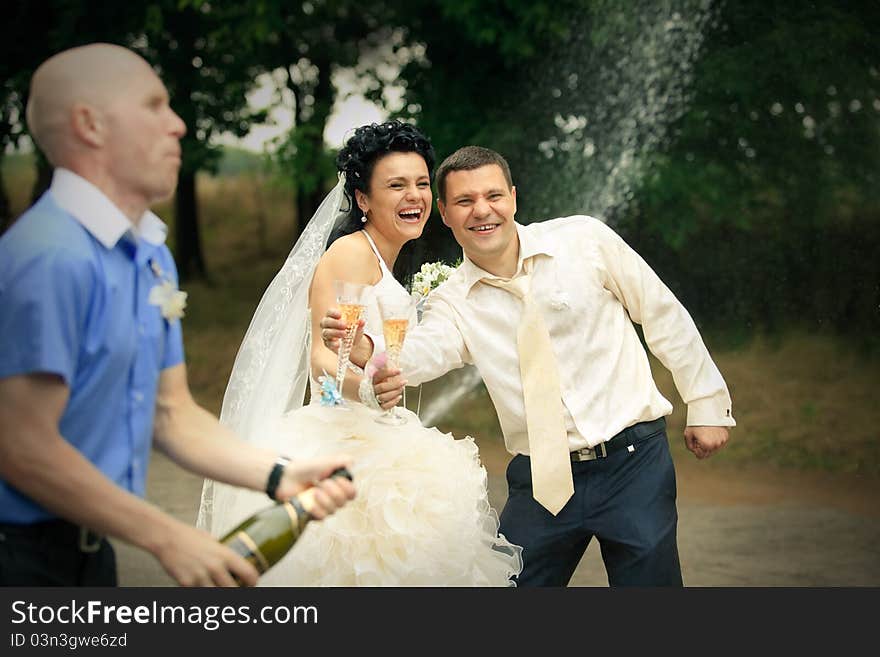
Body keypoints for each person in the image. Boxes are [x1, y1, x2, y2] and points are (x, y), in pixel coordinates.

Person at [0, 43, 355, 588]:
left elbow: (170, 413)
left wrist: (279, 475)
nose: (179, 126)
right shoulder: (46, 256)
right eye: (154, 105)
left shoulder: (151, 254)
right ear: (89, 124)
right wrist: (169, 537)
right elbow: (21, 447)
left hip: (90, 553)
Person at [324, 145, 736, 587]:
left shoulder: (585, 240)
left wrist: (707, 404)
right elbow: (424, 352)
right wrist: (368, 349)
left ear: (514, 198)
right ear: (444, 213)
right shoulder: (452, 300)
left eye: (493, 196)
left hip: (633, 463)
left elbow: (662, 315)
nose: (482, 210)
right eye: (464, 201)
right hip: (541, 480)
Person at [197, 121, 522, 586]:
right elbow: (322, 361)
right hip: (342, 442)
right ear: (363, 199)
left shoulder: (388, 255)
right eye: (396, 185)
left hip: (382, 434)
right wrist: (367, 387)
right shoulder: (350, 254)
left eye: (421, 184)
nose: (415, 196)